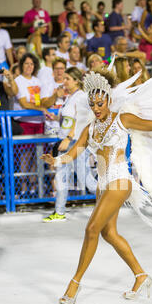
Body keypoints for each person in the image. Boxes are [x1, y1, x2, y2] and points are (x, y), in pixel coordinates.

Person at [41, 67, 152, 304]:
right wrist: (55, 160)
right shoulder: (91, 128)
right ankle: (141, 276)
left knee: (91, 230)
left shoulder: (123, 119)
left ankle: (74, 284)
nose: (96, 108)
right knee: (108, 233)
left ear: (109, 99)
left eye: (100, 103)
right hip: (103, 184)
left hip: (120, 182)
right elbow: (74, 152)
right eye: (93, 105)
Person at [42, 67, 97, 222]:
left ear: (76, 81)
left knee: (84, 178)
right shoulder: (69, 97)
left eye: (67, 78)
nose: (63, 81)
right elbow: (68, 119)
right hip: (66, 141)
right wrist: (54, 118)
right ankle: (59, 212)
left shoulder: (80, 97)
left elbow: (82, 118)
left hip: (75, 142)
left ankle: (110, 199)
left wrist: (68, 137)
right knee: (61, 176)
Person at [13, 52, 54, 197]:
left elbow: (43, 100)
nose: (29, 66)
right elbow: (24, 103)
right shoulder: (19, 80)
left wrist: (46, 104)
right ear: (21, 65)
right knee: (25, 156)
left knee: (37, 157)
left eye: (31, 64)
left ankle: (34, 187)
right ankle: (24, 188)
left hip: (39, 122)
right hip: (25, 123)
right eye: (26, 64)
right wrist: (41, 108)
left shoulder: (38, 80)